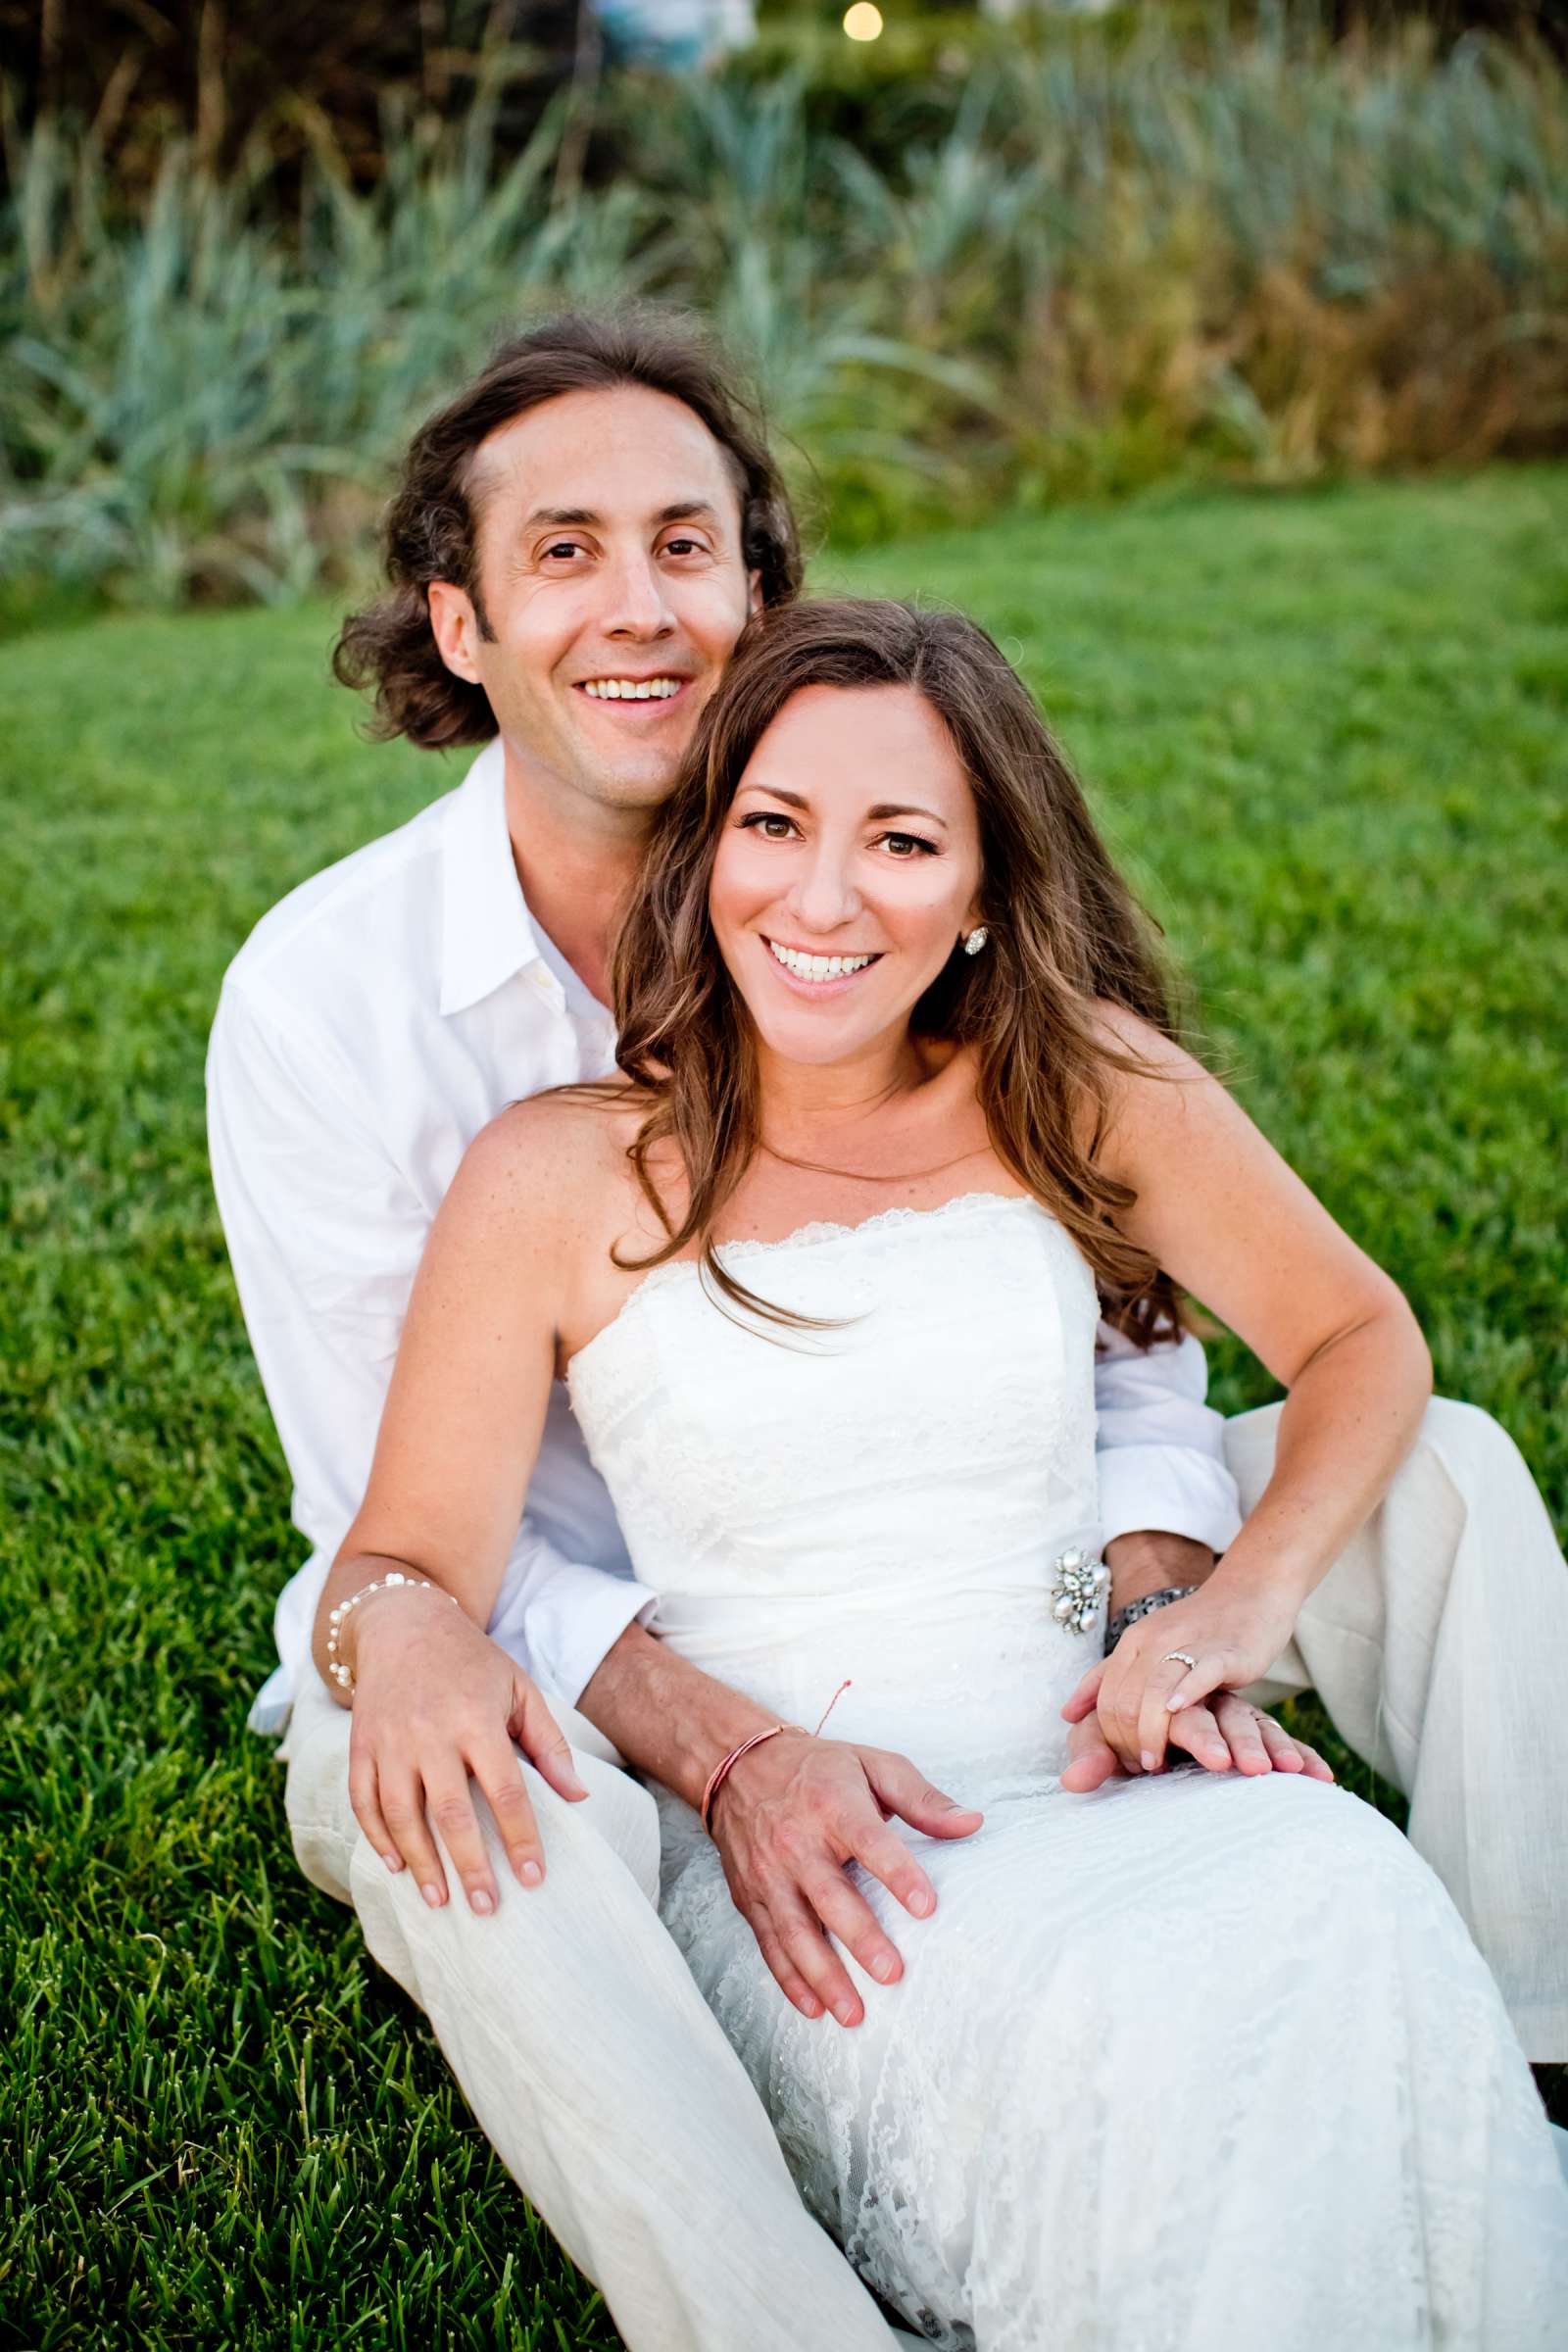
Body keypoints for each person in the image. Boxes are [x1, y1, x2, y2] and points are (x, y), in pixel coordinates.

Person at [207, 310, 1567, 2347]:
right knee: (417, 1736)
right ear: (457, 621)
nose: (637, 601)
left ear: (759, 598)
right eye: (560, 550)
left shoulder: (936, 949)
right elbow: (394, 1536)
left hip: (1000, 1603)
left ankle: (1524, 2049)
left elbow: (1122, 1344)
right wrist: (730, 1749)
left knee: (1438, 1475)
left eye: (685, 541)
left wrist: (1166, 1597)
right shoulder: (346, 1013)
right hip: (589, 1649)